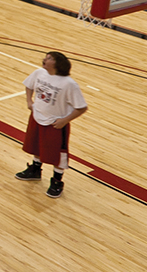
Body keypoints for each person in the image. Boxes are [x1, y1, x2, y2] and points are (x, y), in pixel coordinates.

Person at [15, 51, 88, 198]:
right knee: (36, 145)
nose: (44, 59)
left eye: (49, 58)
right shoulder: (39, 73)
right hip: (37, 117)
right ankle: (35, 170)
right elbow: (28, 85)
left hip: (55, 123)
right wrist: (29, 101)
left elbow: (81, 107)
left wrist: (64, 120)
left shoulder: (69, 84)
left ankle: (57, 181)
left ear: (57, 64)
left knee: (58, 155)